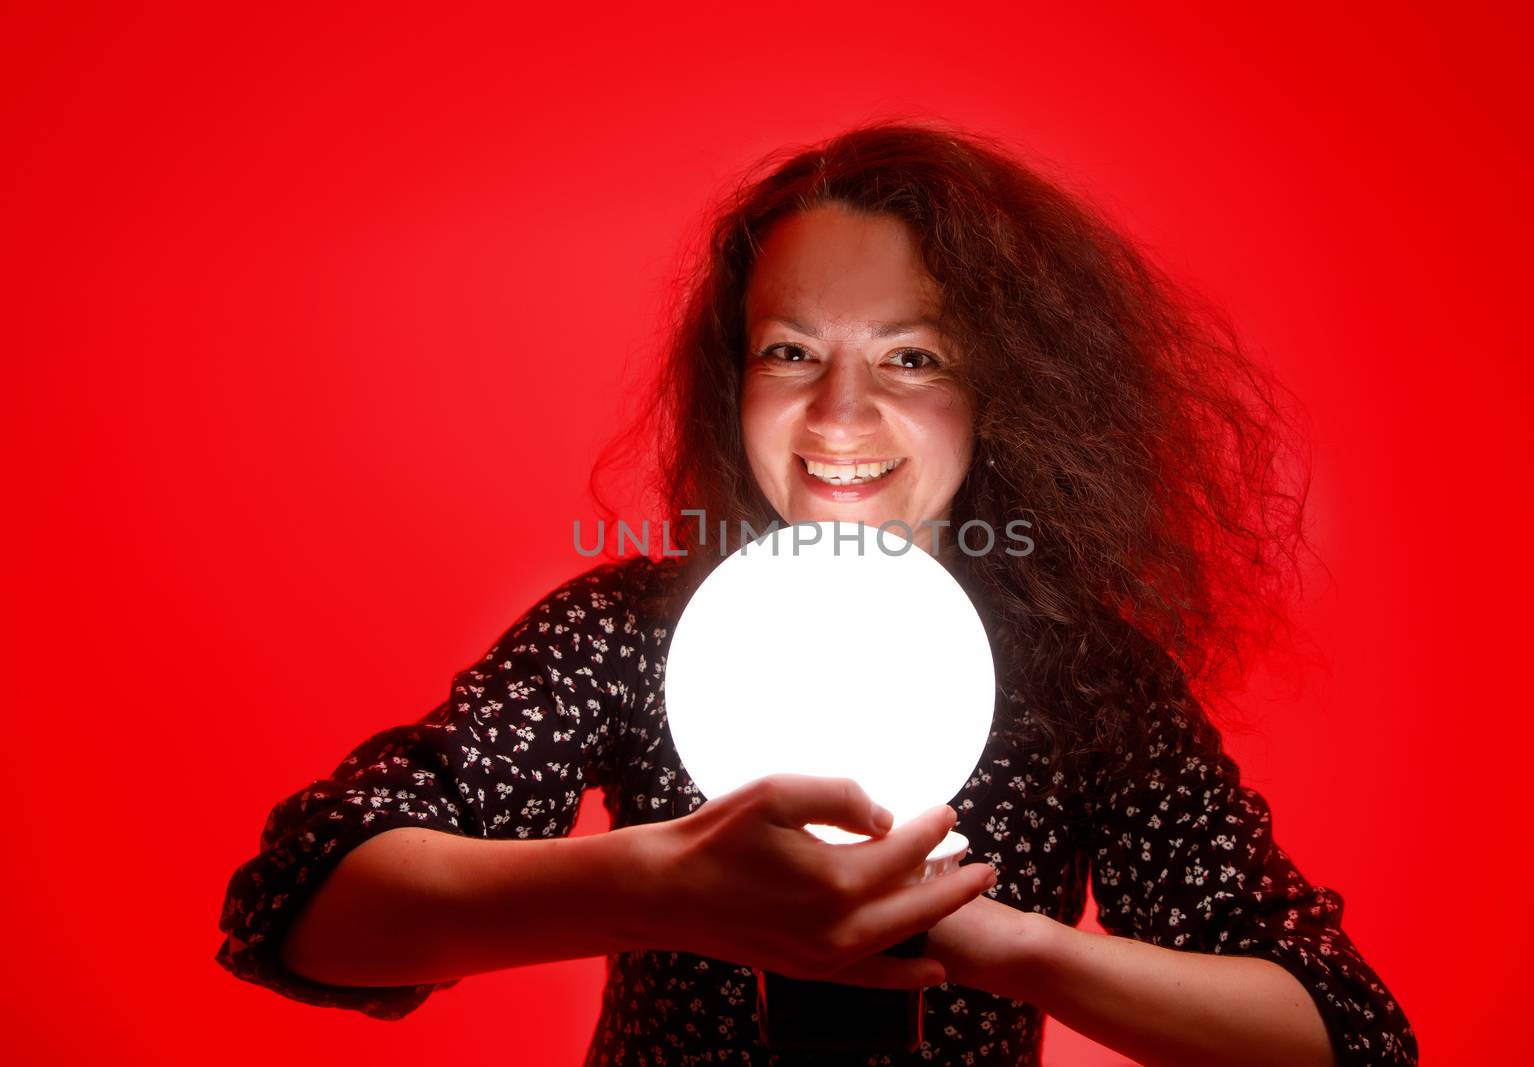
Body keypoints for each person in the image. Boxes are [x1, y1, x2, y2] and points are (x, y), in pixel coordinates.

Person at [217, 121, 1418, 1066]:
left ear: (1006, 389)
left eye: (911, 356)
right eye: (790, 350)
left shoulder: (1073, 678)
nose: (839, 417)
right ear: (729, 376)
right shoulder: (637, 631)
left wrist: (1004, 945)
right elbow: (310, 900)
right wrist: (655, 884)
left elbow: (1338, 1033)